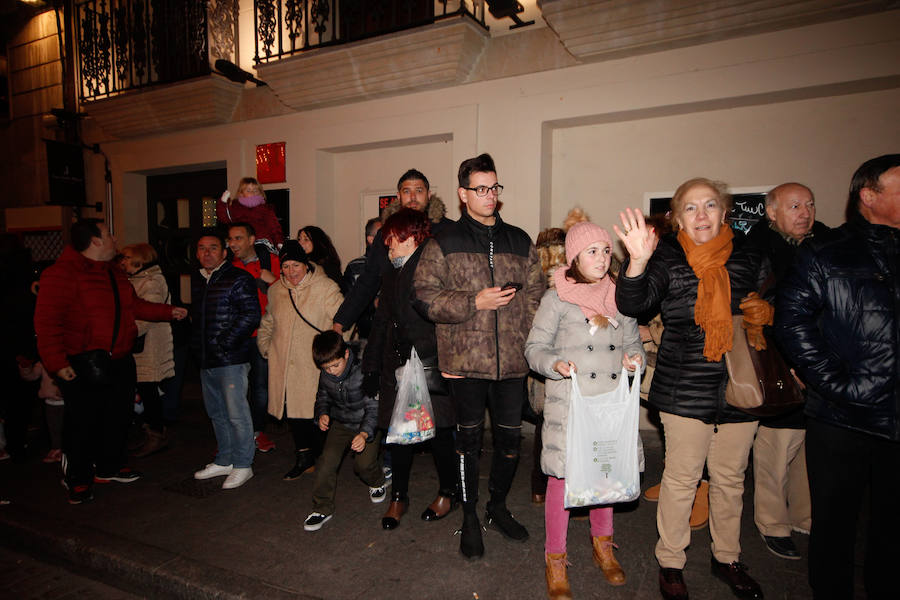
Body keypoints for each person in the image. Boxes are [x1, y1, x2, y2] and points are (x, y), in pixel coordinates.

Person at [614, 178, 767, 600]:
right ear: (677, 217)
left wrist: (764, 312)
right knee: (681, 479)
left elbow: (781, 304)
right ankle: (671, 562)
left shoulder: (749, 256)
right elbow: (633, 304)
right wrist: (637, 264)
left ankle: (727, 557)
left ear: (724, 212)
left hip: (739, 387)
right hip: (684, 385)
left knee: (730, 479)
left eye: (710, 206)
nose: (701, 216)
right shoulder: (666, 256)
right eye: (691, 208)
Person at [775, 154, 900, 600]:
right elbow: (791, 321)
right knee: (835, 521)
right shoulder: (826, 251)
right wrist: (835, 382)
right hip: (843, 413)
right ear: (870, 195)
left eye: (808, 204)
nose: (804, 212)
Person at [413, 153, 544, 559]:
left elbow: (538, 297)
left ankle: (498, 506)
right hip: (465, 364)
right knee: (467, 443)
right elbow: (423, 296)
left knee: (509, 441)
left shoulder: (520, 240)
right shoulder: (444, 242)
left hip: (511, 363)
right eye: (481, 189)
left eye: (494, 187)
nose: (490, 195)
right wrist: (475, 301)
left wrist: (529, 336)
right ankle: (469, 515)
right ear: (462, 194)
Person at [526, 221, 644, 598]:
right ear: (574, 256)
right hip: (571, 408)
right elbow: (534, 348)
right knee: (561, 482)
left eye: (606, 251)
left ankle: (603, 547)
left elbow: (634, 342)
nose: (601, 258)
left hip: (607, 406)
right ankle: (555, 558)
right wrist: (554, 364)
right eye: (591, 251)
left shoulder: (621, 297)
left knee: (605, 478)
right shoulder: (557, 298)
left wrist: (633, 359)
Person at [34, 220, 186, 504]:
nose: (115, 238)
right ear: (94, 241)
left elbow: (133, 306)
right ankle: (77, 478)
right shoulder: (62, 274)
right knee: (82, 423)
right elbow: (47, 322)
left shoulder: (114, 273)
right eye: (108, 234)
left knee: (117, 417)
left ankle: (110, 466)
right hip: (82, 361)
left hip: (120, 358)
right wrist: (57, 363)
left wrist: (168, 311)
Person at [362, 208, 458, 530]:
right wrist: (372, 366)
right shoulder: (392, 271)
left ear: (411, 238)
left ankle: (449, 492)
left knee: (441, 432)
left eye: (391, 241)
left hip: (429, 362)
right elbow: (381, 321)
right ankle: (398, 497)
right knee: (398, 434)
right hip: (397, 364)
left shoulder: (433, 266)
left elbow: (445, 315)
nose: (387, 248)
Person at [746, 182, 827, 560]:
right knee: (777, 448)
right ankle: (772, 522)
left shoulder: (825, 243)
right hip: (778, 360)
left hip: (821, 363)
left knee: (810, 448)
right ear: (772, 212)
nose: (804, 212)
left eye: (808, 204)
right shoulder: (756, 249)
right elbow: (752, 308)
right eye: (794, 206)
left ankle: (806, 516)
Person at [257, 240, 343, 480]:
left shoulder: (325, 287)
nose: (291, 271)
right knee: (294, 416)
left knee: (318, 414)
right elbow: (268, 323)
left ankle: (324, 458)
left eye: (296, 265)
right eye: (286, 266)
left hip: (314, 365)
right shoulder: (276, 290)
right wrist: (267, 348)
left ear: (306, 265)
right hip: (285, 366)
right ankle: (304, 458)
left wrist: (332, 354)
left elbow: (344, 320)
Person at [333, 168, 452, 334]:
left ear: (429, 195)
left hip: (436, 327)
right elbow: (367, 281)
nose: (412, 198)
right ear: (398, 197)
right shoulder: (385, 234)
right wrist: (340, 322)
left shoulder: (448, 232)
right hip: (396, 327)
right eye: (406, 191)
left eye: (418, 191)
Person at [190, 233, 260, 490]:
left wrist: (225, 344)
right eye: (201, 248)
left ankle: (243, 463)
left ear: (224, 253)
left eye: (213, 248)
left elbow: (251, 315)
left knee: (237, 413)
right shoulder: (200, 280)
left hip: (230, 359)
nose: (207, 253)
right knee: (216, 413)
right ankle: (225, 459)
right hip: (205, 359)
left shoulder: (238, 278)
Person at [303, 331, 385, 532]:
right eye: (326, 368)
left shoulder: (366, 369)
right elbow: (322, 396)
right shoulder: (327, 374)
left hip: (367, 422)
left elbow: (374, 408)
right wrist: (322, 414)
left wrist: (364, 434)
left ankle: (378, 480)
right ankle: (322, 508)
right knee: (326, 463)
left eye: (335, 365)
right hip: (341, 424)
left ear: (346, 354)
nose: (331, 371)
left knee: (363, 466)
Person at [226, 223, 280, 454]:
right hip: (236, 335)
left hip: (262, 334)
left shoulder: (271, 263)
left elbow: (288, 292)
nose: (233, 244)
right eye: (230, 239)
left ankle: (257, 431)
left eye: (238, 238)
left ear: (251, 239)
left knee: (260, 388)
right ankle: (237, 433)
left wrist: (271, 281)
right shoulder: (228, 267)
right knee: (234, 387)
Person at [118, 243, 175, 458]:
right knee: (144, 391)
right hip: (137, 345)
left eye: (126, 257)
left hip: (148, 346)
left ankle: (156, 434)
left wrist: (122, 331)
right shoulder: (134, 280)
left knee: (149, 392)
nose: (122, 261)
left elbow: (148, 315)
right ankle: (151, 432)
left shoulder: (151, 282)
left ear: (140, 260)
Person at [217, 177, 285, 256]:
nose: (252, 192)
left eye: (255, 190)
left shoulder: (265, 209)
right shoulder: (235, 207)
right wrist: (223, 203)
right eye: (248, 190)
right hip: (240, 241)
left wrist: (279, 242)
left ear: (260, 192)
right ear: (241, 193)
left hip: (261, 240)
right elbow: (225, 218)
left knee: (262, 252)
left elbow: (274, 226)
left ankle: (265, 268)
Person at [341, 217, 382, 341]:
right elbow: (349, 300)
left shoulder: (394, 263)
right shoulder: (355, 266)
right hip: (367, 334)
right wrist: (373, 304)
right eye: (382, 234)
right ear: (371, 239)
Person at [297, 226, 344, 292]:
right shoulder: (300, 264)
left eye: (306, 239)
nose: (300, 243)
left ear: (316, 242)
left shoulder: (329, 267)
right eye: (299, 239)